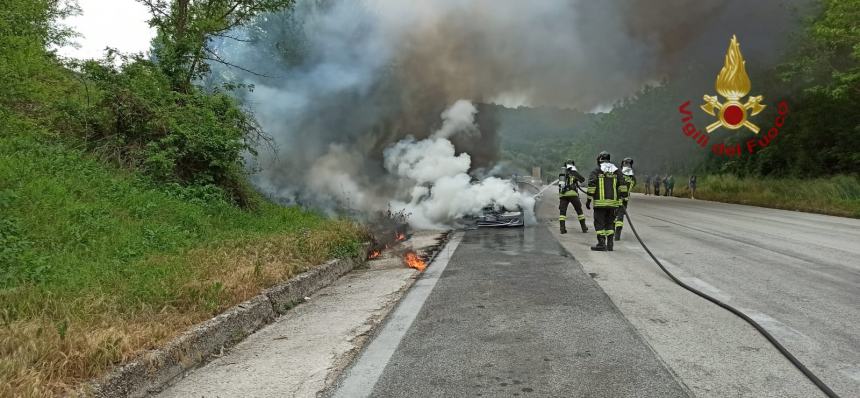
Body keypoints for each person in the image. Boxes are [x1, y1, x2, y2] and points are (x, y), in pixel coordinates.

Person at [586, 151, 627, 252]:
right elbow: (623, 185)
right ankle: (610, 244)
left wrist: (588, 200)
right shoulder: (616, 171)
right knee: (610, 223)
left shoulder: (596, 170)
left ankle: (601, 244)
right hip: (613, 204)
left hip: (600, 204)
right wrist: (623, 198)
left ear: (599, 159)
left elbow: (591, 186)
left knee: (599, 223)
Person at [558, 160, 588, 234]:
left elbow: (560, 185)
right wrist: (576, 177)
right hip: (573, 194)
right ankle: (584, 228)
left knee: (562, 212)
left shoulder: (562, 173)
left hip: (563, 195)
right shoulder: (574, 172)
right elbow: (583, 179)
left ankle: (562, 228)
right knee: (579, 211)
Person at [614, 157, 636, 240]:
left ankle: (611, 233)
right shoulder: (633, 178)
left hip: (616, 199)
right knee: (620, 217)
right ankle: (617, 235)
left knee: (613, 216)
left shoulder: (618, 175)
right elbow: (632, 185)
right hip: (625, 200)